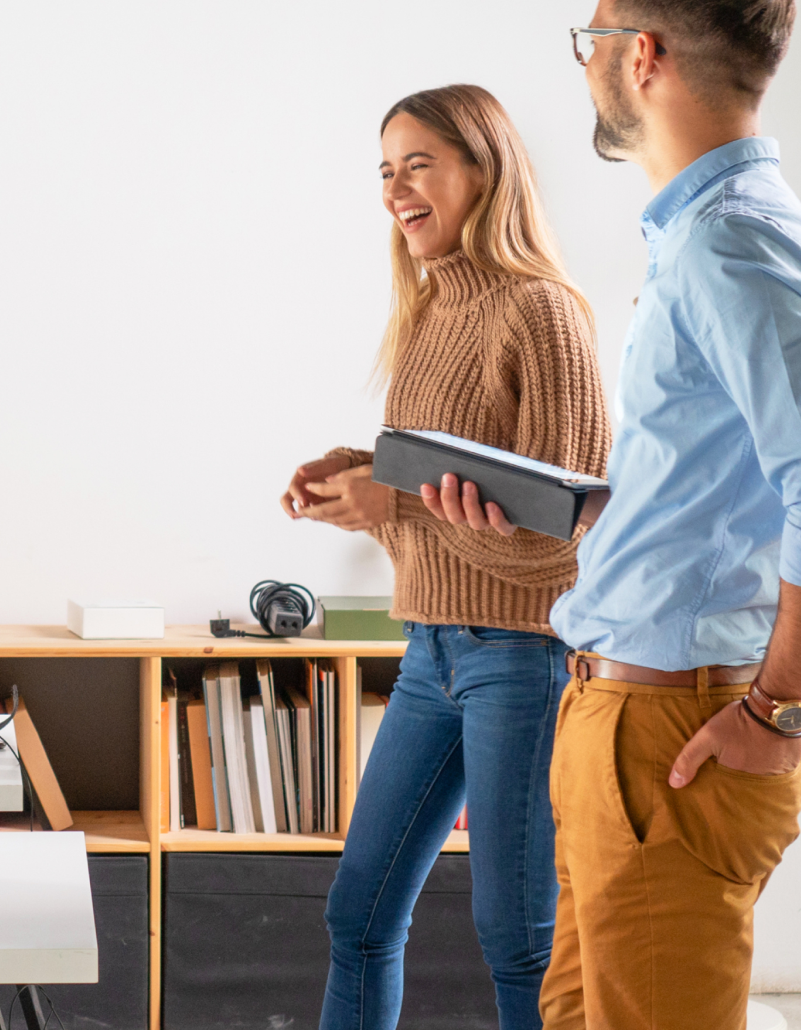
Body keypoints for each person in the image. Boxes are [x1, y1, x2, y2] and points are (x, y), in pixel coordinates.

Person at [542, 0, 801, 1028]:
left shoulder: (727, 242)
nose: (588, 60)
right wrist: (578, 509)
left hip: (672, 741)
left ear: (640, 54)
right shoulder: (703, 234)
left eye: (591, 37)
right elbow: (720, 489)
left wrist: (778, 709)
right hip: (618, 720)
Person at [284, 85, 610, 1030]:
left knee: (518, 940)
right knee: (359, 913)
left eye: (417, 164)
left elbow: (566, 541)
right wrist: (357, 485)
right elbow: (440, 497)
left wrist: (401, 502)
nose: (396, 189)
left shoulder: (542, 313)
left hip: (524, 657)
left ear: (484, 168)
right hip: (430, 652)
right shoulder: (428, 313)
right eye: (386, 171)